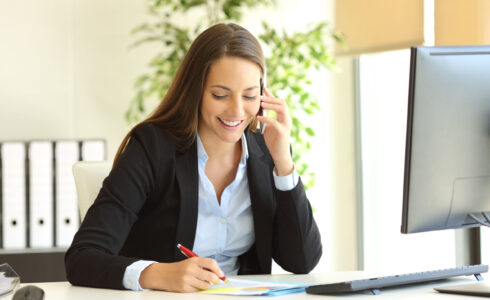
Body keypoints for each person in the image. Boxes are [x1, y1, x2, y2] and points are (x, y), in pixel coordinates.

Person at [65, 23, 322, 293]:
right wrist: (156, 274)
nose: (236, 110)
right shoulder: (153, 147)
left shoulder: (267, 149)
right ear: (195, 90)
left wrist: (283, 163)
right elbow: (82, 257)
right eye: (220, 95)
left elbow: (302, 261)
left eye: (249, 95)